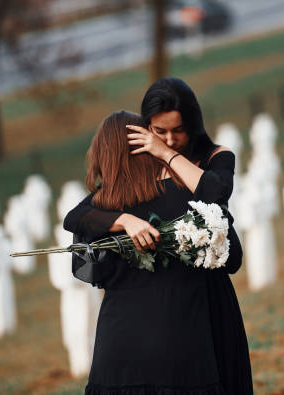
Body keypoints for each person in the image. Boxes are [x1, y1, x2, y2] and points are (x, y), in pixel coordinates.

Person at [64, 78, 253, 394]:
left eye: (177, 131)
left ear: (192, 124)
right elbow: (76, 217)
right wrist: (124, 220)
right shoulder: (132, 185)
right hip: (160, 324)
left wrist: (165, 154)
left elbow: (215, 191)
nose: (169, 139)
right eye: (158, 132)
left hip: (199, 307)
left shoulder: (214, 159)